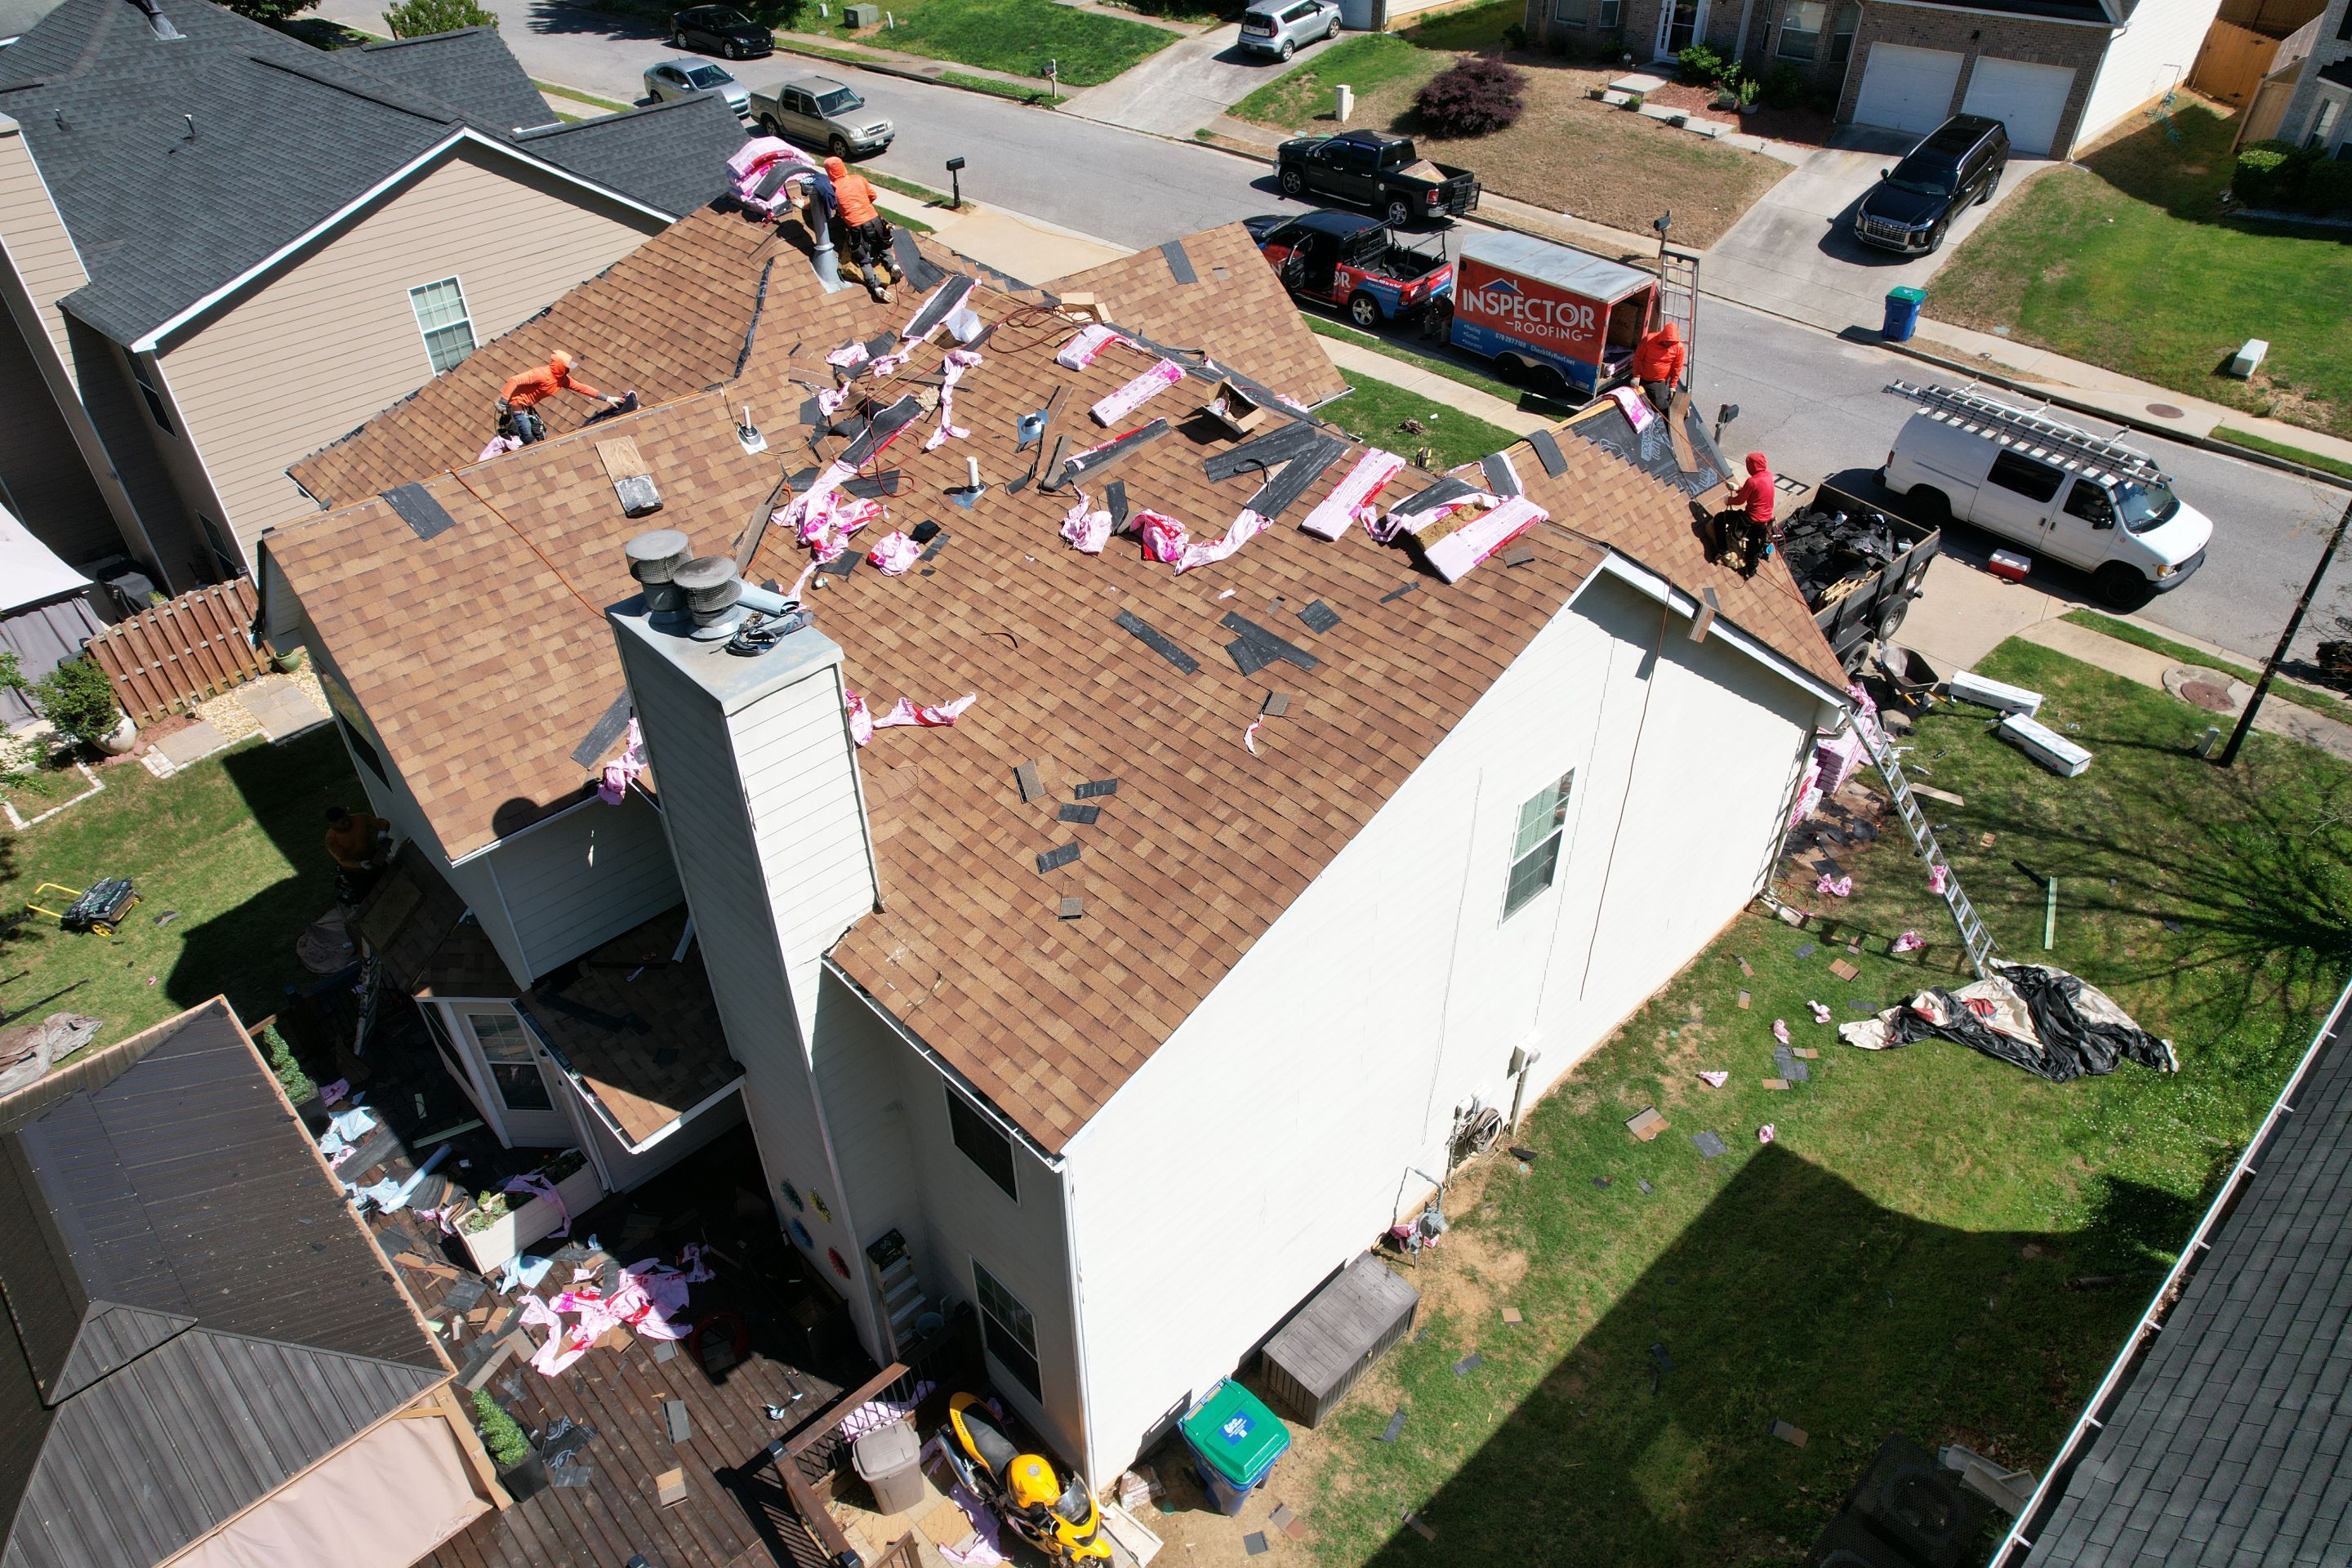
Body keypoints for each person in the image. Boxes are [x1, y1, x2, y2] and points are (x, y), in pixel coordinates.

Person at [496, 350, 625, 444]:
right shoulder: (541, 374)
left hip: (527, 408)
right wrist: (503, 401)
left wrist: (607, 398)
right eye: (566, 367)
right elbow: (514, 380)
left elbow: (582, 388)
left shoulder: (562, 380)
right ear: (559, 366)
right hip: (517, 406)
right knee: (530, 438)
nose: (568, 370)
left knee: (540, 434)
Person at [825, 154, 903, 304]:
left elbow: (829, 206)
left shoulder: (833, 188)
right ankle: (893, 265)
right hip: (874, 220)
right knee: (882, 245)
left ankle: (876, 286)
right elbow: (872, 196)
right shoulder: (858, 179)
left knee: (863, 258)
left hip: (856, 227)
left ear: (830, 172)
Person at [1713, 451, 1780, 577]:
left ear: (1752, 466)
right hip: (1764, 522)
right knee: (1754, 545)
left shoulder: (1752, 481)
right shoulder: (1769, 476)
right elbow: (1754, 491)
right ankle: (1751, 570)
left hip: (1750, 519)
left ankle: (1723, 549)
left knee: (1719, 519)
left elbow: (1740, 501)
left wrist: (1729, 500)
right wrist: (1737, 488)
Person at [324, 804, 392, 901]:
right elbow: (343, 860)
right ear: (333, 825)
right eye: (343, 823)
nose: (347, 823)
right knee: (368, 896)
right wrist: (361, 865)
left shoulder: (360, 818)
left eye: (347, 818)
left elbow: (383, 823)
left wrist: (383, 832)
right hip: (355, 871)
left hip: (374, 859)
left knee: (390, 877)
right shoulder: (331, 840)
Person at [1632, 319, 1685, 415]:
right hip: (1642, 376)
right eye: (1667, 342)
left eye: (1671, 343)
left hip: (1658, 381)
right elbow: (1638, 358)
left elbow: (1677, 367)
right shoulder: (1649, 339)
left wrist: (1673, 386)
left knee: (1659, 406)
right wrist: (1636, 375)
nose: (1668, 344)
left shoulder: (1679, 347)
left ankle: (1678, 411)